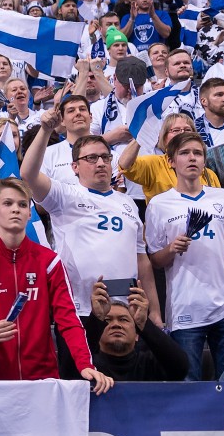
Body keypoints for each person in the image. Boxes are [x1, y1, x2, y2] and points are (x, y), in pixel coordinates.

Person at [0, 179, 113, 394]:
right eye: (8, 204)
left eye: (22, 204)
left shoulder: (49, 262)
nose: (16, 209)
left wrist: (85, 364)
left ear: (30, 213)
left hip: (42, 379)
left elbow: (68, 319)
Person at [22, 108, 158, 327]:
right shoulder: (64, 195)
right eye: (91, 158)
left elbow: (142, 261)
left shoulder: (129, 203)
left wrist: (155, 312)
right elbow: (28, 175)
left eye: (105, 157)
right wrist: (46, 131)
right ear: (74, 167)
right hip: (78, 310)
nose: (101, 163)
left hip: (126, 310)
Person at [145, 132, 224, 380]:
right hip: (185, 308)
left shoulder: (223, 198)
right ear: (171, 161)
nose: (192, 158)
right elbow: (154, 260)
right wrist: (171, 249)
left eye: (197, 153)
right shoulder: (159, 205)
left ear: (204, 161)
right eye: (184, 153)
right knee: (188, 384)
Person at [86, 280, 188, 381]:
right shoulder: (88, 366)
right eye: (108, 320)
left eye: (123, 319)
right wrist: (96, 318)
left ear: (137, 335)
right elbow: (71, 368)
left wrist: (144, 323)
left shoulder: (150, 364)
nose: (116, 325)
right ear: (99, 332)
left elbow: (181, 367)